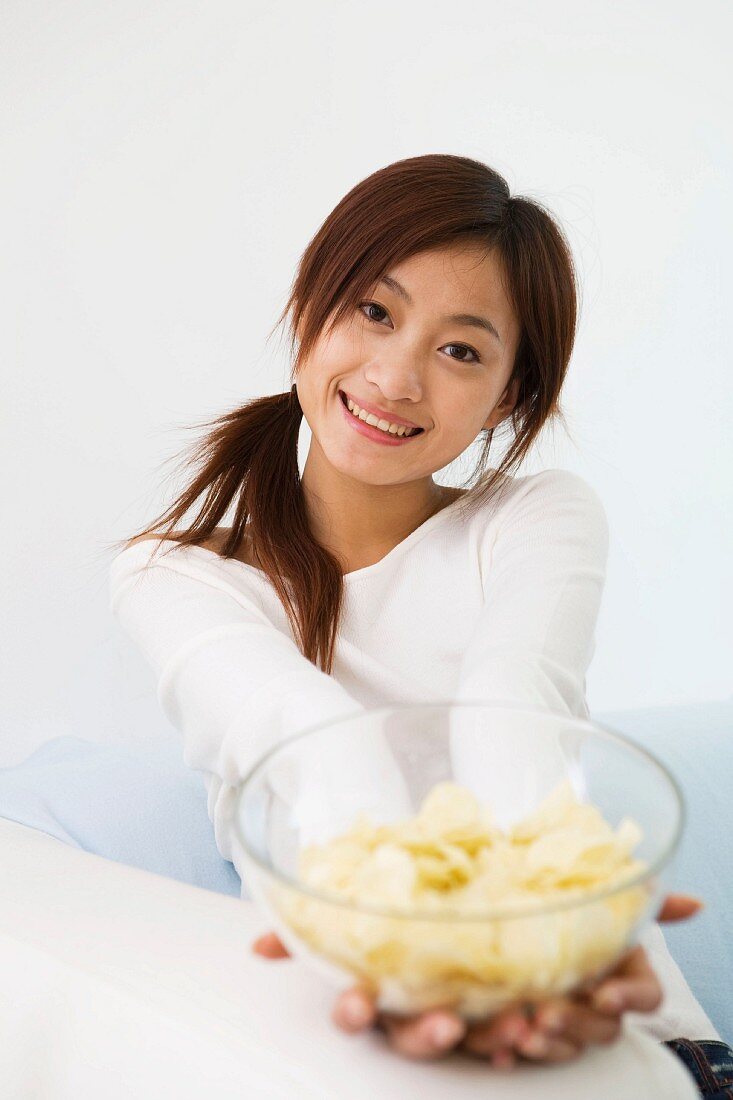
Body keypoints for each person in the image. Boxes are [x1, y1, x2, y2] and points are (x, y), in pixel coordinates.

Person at [108, 154, 731, 1094]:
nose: (396, 376)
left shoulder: (536, 516)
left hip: (609, 1031)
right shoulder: (174, 574)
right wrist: (434, 964)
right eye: (374, 311)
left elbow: (510, 707)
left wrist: (538, 956)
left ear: (508, 398)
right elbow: (306, 742)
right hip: (365, 1038)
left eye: (461, 350)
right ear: (311, 308)